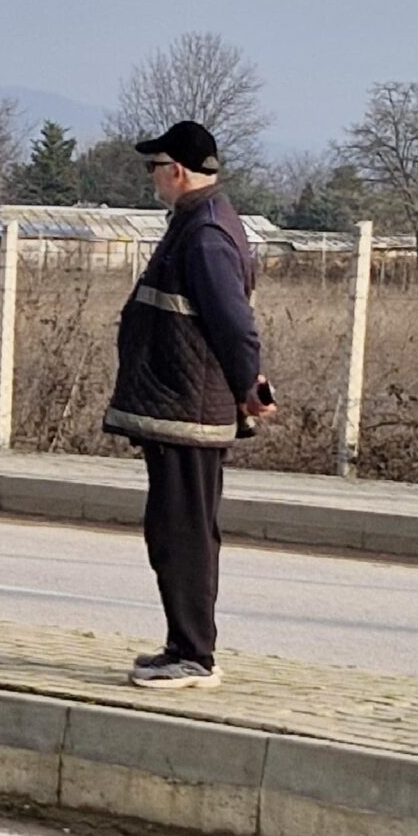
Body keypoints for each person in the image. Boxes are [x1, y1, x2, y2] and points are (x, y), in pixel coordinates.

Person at [104, 121, 275, 689]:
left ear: (175, 170)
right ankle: (184, 644)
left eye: (154, 167)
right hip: (180, 407)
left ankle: (194, 656)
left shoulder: (203, 234)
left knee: (184, 532)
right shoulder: (201, 222)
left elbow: (232, 321)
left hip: (188, 409)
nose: (151, 177)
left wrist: (251, 384)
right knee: (177, 528)